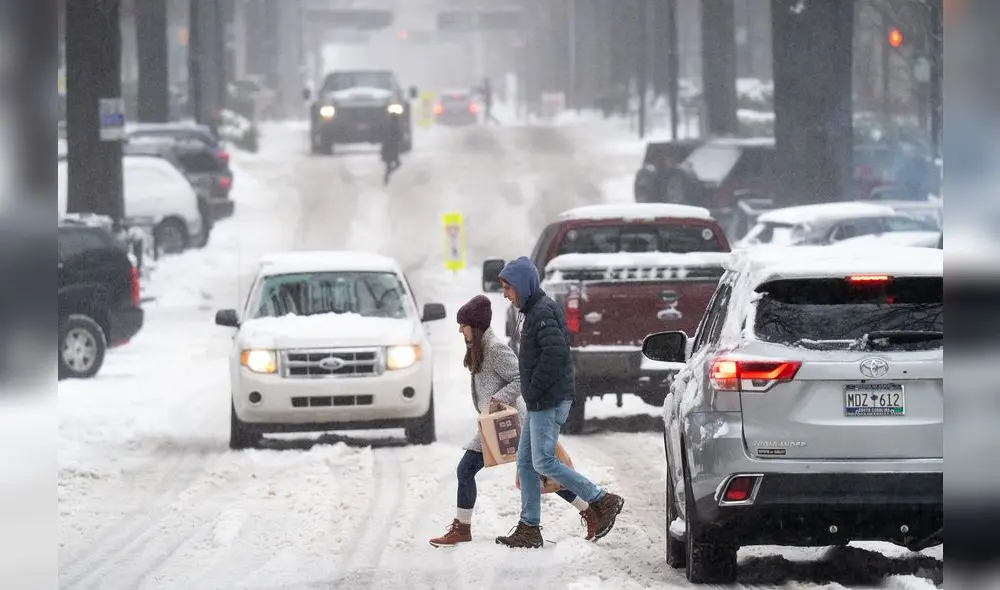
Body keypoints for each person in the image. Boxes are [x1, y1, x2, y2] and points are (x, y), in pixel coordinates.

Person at [429, 295, 598, 547]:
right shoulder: (479, 349)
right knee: (536, 471)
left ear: (474, 327)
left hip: (510, 422)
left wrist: (497, 399)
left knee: (534, 471)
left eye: (463, 325)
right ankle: (588, 510)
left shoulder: (495, 349)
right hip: (494, 422)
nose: (459, 330)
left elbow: (521, 378)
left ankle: (589, 509)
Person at [494, 257, 625, 549]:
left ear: (522, 285)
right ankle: (529, 527)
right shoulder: (534, 310)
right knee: (527, 463)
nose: (505, 294)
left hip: (548, 400)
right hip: (542, 398)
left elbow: (555, 355)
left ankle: (601, 499)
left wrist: (535, 390)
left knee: (543, 461)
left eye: (507, 288)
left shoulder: (541, 312)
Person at [380, 112, 403, 185]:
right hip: (392, 148)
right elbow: (399, 136)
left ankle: (386, 177)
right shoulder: (394, 126)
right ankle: (386, 178)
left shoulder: (388, 125)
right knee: (395, 164)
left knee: (389, 164)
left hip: (388, 148)